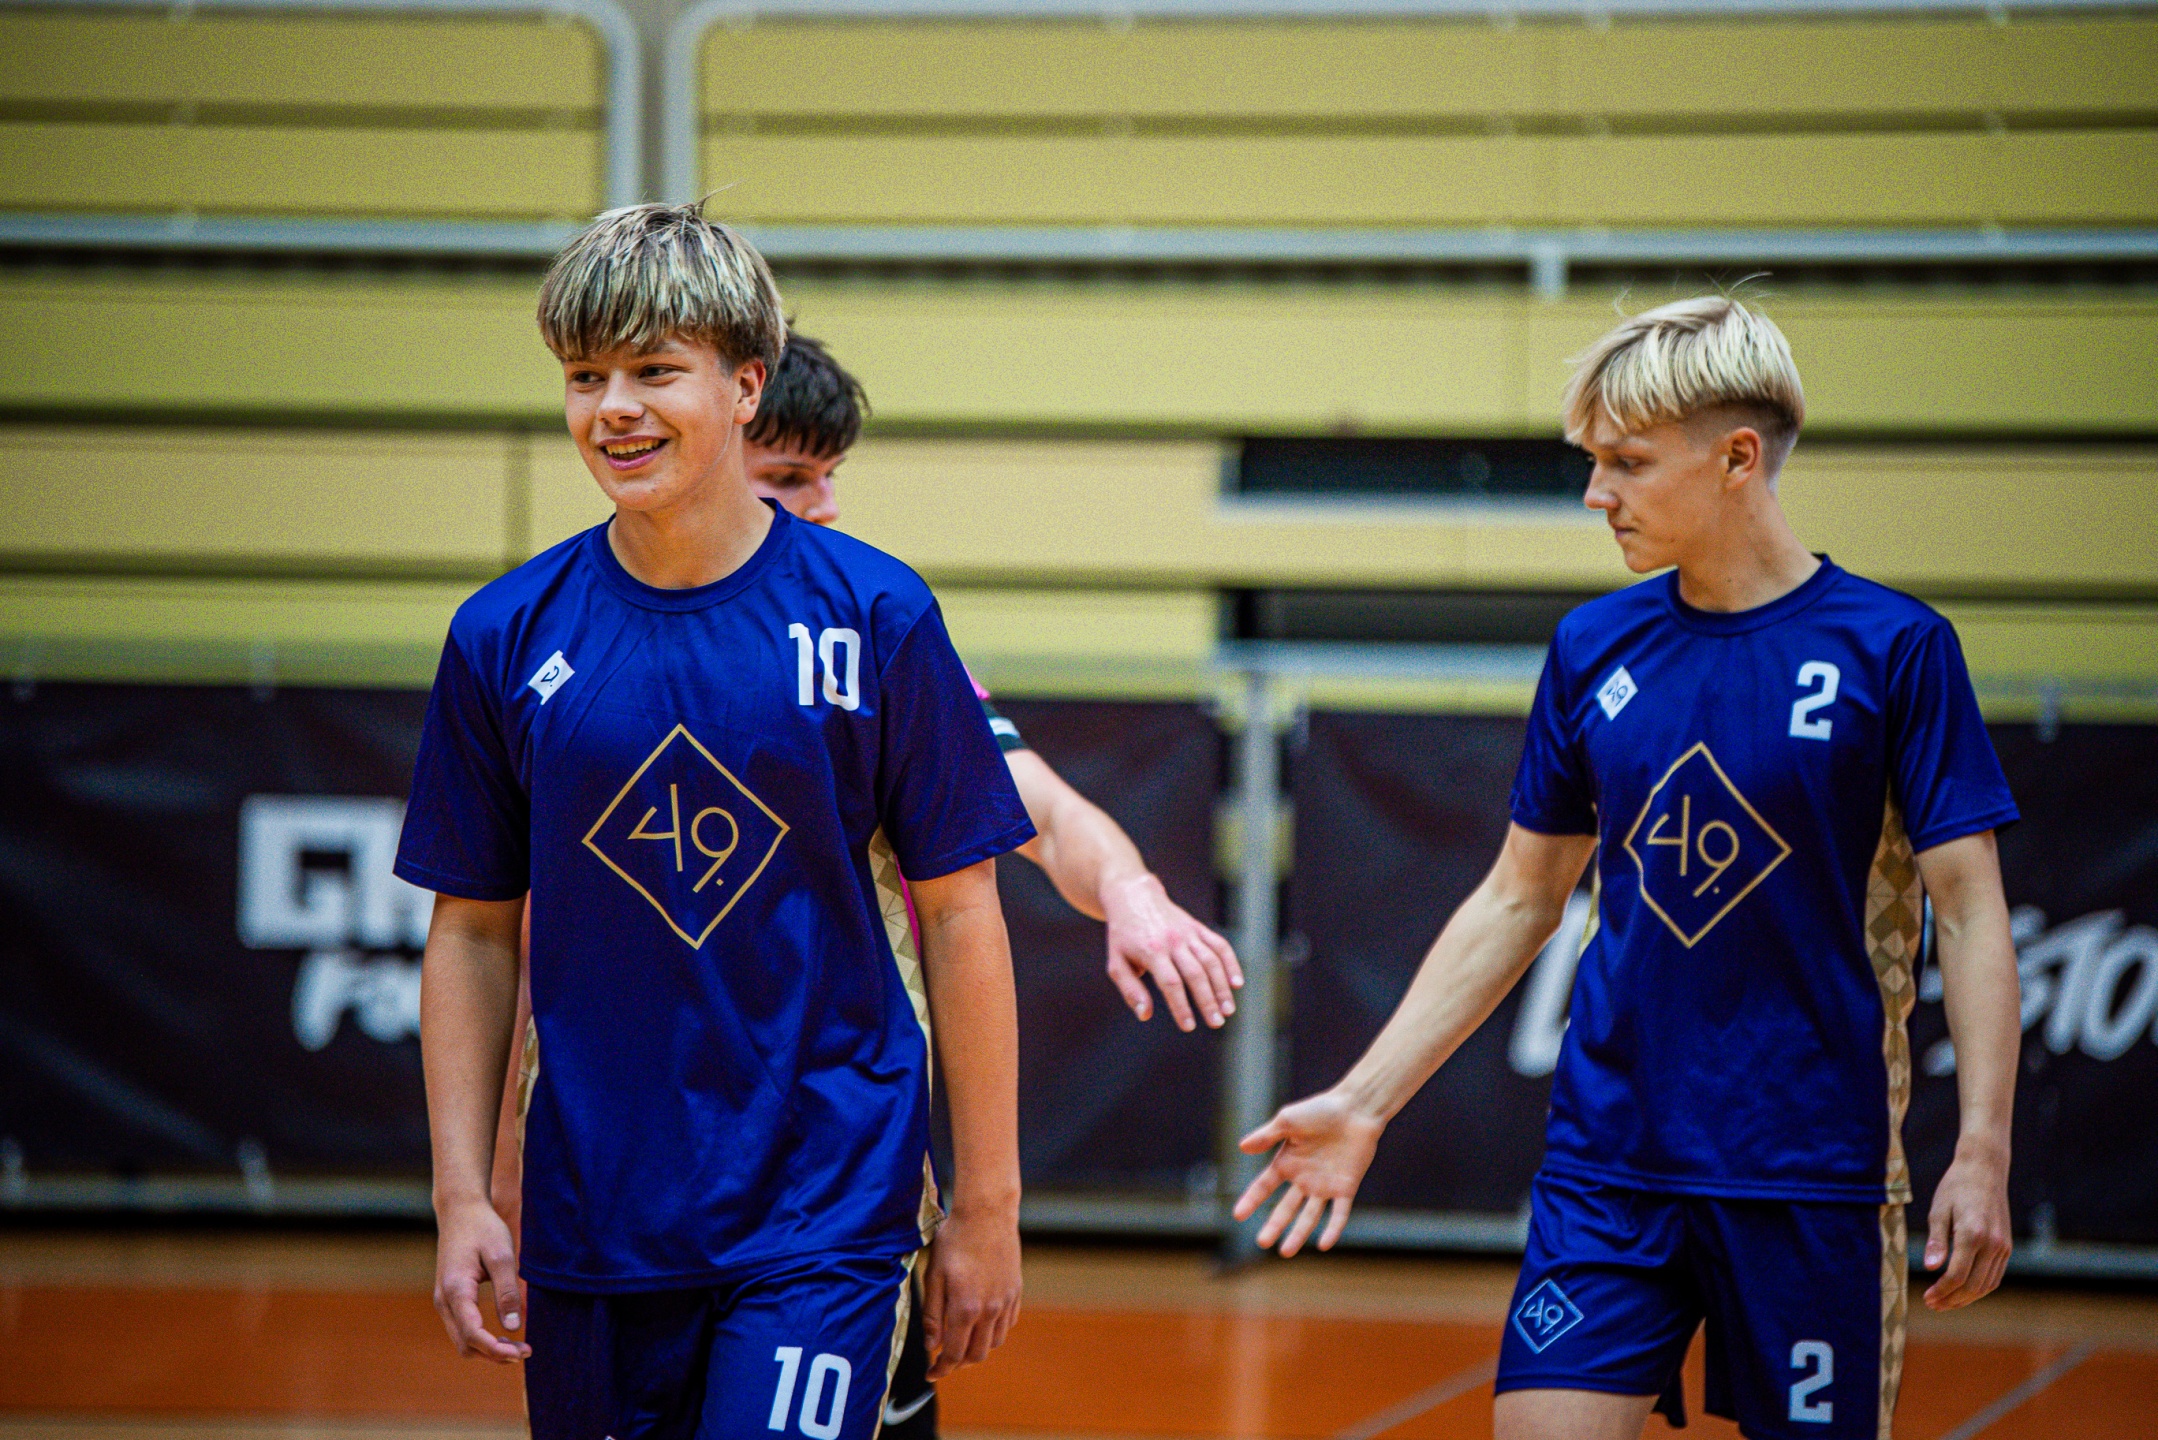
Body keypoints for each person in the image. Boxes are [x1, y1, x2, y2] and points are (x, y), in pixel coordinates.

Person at [1232, 297, 2022, 1440]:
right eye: (1593, 461)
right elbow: (1519, 896)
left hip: (1811, 1175)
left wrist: (1982, 1151)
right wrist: (1363, 1101)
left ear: (1736, 458)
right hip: (1606, 1170)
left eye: (1628, 462)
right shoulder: (1592, 646)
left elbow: (1971, 909)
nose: (1595, 493)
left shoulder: (1894, 648)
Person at [494, 329, 1245, 1438]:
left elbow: (1044, 812)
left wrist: (1130, 887)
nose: (828, 503)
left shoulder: (866, 636)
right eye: (795, 476)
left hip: (828, 1180)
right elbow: (520, 938)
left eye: (832, 475)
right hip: (616, 1189)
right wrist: (496, 1171)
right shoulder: (548, 639)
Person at [400, 202, 1034, 1440]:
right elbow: (470, 933)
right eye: (585, 376)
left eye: (654, 371)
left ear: (746, 387)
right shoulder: (502, 636)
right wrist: (462, 1195)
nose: (613, 409)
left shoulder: (876, 616)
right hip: (595, 1220)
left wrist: (987, 1207)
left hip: (823, 1205)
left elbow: (964, 917)